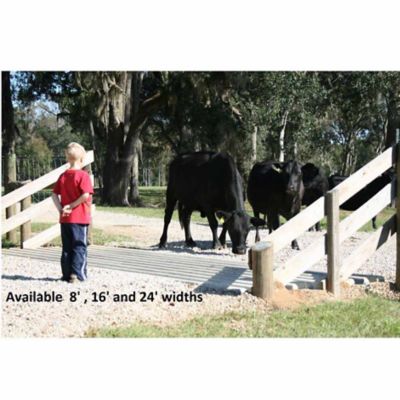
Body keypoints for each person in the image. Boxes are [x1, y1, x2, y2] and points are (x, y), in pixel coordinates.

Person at [51, 142, 94, 283]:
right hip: (80, 218)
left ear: (67, 159)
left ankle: (66, 274)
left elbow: (54, 195)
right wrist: (72, 205)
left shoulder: (63, 176)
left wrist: (60, 208)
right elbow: (85, 195)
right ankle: (77, 274)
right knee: (79, 246)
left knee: (67, 247)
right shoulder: (83, 175)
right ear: (82, 159)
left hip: (65, 219)